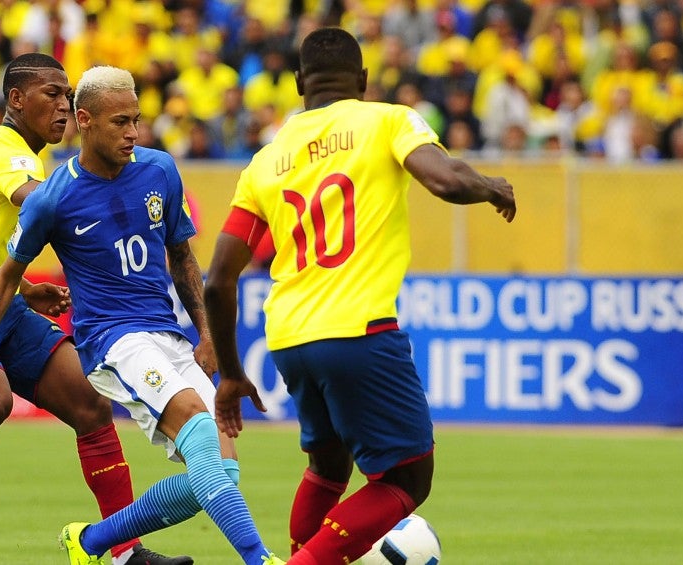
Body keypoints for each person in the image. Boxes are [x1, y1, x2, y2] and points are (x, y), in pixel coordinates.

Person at [0, 65, 284, 565]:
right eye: (120, 122)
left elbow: (182, 258)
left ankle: (92, 542)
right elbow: (5, 277)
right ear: (85, 120)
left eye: (137, 121)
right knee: (201, 432)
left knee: (220, 472)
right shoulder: (53, 197)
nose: (133, 133)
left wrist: (206, 334)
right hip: (114, 343)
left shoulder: (160, 170)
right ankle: (261, 559)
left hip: (168, 336)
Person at [204, 27, 516, 565]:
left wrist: (231, 372)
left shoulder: (266, 159)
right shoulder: (387, 119)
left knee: (329, 467)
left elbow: (217, 280)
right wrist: (490, 185)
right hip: (359, 331)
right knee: (408, 478)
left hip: (289, 336)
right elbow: (444, 180)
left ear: (300, 83)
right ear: (365, 81)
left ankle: (298, 554)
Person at [0, 53, 190, 565]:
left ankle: (123, 550)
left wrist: (25, 288)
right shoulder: (3, 149)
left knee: (91, 405)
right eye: (52, 93)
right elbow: (43, 204)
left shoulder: (23, 153)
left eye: (68, 95)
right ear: (15, 99)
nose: (64, 105)